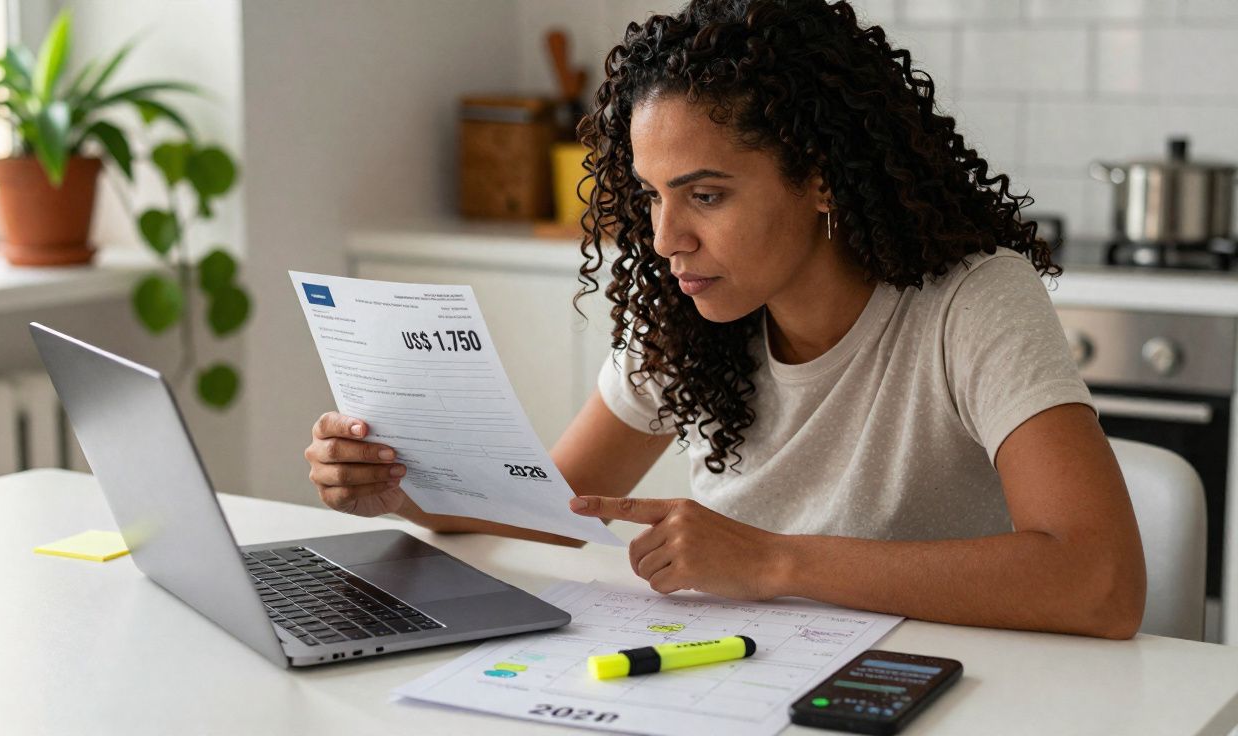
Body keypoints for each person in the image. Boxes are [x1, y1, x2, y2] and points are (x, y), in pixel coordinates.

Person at [305, 0, 1145, 639]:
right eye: (652, 196)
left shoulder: (972, 301)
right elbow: (554, 505)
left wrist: (773, 560)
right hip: (747, 665)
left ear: (822, 179)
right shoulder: (695, 308)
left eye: (705, 195)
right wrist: (403, 489)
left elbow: (1102, 582)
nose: (668, 239)